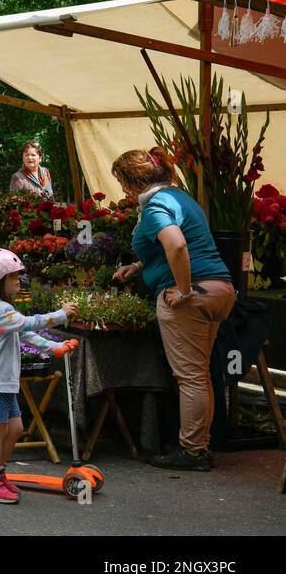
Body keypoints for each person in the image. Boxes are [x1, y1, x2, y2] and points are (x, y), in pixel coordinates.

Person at [111, 148, 235, 471]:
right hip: (220, 288)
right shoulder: (181, 198)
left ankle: (192, 452)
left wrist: (183, 289)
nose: (123, 192)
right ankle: (200, 446)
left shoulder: (154, 207)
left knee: (190, 378)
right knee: (201, 375)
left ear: (133, 181)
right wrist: (139, 266)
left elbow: (177, 243)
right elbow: (184, 242)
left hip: (190, 298)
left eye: (123, 183)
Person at [0, 248, 78, 503]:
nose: (18, 281)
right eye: (13, 277)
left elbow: (23, 333)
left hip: (2, 382)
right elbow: (27, 324)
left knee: (15, 429)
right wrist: (59, 316)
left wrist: (54, 348)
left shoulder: (2, 307)